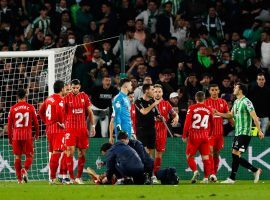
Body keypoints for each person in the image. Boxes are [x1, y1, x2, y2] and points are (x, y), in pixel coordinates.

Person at [221, 83, 264, 184]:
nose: (234, 88)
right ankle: (254, 170)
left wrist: (259, 130)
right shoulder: (236, 102)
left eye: (236, 87)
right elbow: (230, 115)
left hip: (245, 132)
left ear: (240, 90)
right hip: (238, 132)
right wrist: (218, 114)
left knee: (235, 154)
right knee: (235, 155)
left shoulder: (247, 102)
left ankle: (232, 178)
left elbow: (255, 117)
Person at [64, 79, 96, 184]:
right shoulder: (66, 98)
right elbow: (62, 113)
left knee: (82, 153)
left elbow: (90, 112)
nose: (75, 89)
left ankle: (78, 177)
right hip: (70, 129)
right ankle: (71, 177)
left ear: (80, 87)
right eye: (73, 87)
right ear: (71, 87)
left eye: (77, 88)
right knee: (70, 151)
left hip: (82, 129)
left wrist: (93, 126)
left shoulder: (84, 96)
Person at [8, 89, 39, 184]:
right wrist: (36, 134)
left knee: (17, 157)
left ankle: (19, 179)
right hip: (27, 135)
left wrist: (10, 138)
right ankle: (24, 169)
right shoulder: (30, 107)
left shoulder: (12, 108)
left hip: (16, 136)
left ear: (17, 97)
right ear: (25, 96)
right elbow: (36, 123)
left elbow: (9, 126)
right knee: (29, 156)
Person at [182, 91, 214, 184]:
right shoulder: (209, 109)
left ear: (196, 98)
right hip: (204, 136)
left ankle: (195, 171)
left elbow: (187, 123)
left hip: (194, 136)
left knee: (189, 156)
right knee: (206, 158)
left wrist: (184, 135)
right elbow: (212, 124)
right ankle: (206, 178)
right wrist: (209, 134)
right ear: (204, 98)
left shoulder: (192, 108)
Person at [39, 80, 66, 184]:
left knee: (54, 153)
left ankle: (53, 177)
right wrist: (61, 122)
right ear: (62, 89)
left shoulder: (49, 98)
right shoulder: (60, 99)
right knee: (57, 153)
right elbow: (59, 112)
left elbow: (40, 112)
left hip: (49, 129)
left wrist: (47, 122)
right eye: (64, 88)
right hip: (57, 129)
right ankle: (53, 178)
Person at [204, 84, 230, 182]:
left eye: (216, 90)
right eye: (212, 90)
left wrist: (218, 113)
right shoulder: (206, 102)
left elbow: (229, 115)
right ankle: (212, 174)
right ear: (209, 91)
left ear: (218, 91)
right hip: (209, 133)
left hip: (219, 134)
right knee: (210, 152)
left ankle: (214, 174)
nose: (214, 92)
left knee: (216, 154)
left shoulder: (223, 102)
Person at [153, 84, 179, 174]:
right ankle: (148, 174)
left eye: (159, 92)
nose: (157, 94)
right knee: (148, 153)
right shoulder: (149, 103)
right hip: (150, 132)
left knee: (159, 154)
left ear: (162, 93)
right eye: (155, 91)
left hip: (162, 132)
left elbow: (174, 114)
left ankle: (155, 174)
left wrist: (176, 118)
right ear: (152, 92)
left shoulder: (166, 104)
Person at [135, 84, 160, 156]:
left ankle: (150, 167)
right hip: (142, 130)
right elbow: (144, 112)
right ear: (146, 91)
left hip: (152, 129)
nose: (154, 91)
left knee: (150, 153)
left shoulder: (152, 101)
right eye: (152, 90)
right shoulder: (138, 101)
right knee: (144, 152)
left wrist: (159, 117)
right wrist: (154, 104)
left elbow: (156, 114)